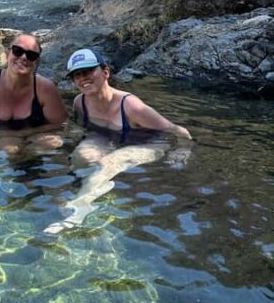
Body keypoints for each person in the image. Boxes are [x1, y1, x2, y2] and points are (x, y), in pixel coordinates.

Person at [44, 47, 192, 233]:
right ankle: (94, 189)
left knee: (112, 161)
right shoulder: (79, 103)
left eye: (89, 71)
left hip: (148, 143)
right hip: (109, 138)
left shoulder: (131, 105)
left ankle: (80, 207)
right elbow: (83, 131)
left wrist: (183, 150)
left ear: (105, 72)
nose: (83, 78)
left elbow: (178, 131)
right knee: (80, 155)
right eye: (76, 75)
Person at [0, 33, 67, 155]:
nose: (23, 57)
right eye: (18, 51)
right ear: (7, 54)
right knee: (10, 149)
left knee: (54, 142)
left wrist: (20, 135)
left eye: (31, 55)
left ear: (37, 62)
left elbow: (60, 124)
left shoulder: (46, 89)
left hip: (34, 136)